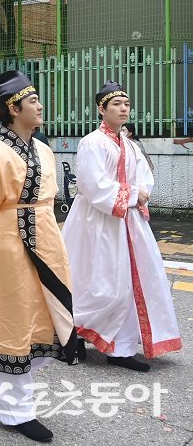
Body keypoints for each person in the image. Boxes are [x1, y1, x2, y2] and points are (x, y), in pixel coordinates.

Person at [0, 71, 78, 443]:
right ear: (12, 107)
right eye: (32, 100)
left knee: (42, 314)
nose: (39, 105)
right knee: (12, 316)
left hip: (46, 236)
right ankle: (13, 409)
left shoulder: (44, 149)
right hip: (10, 242)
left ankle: (20, 393)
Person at [63, 81, 181, 372]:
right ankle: (75, 333)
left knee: (129, 282)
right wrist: (131, 194)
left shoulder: (129, 144)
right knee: (98, 282)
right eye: (116, 104)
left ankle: (122, 347)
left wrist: (139, 193)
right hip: (96, 222)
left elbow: (144, 178)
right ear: (101, 109)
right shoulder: (92, 142)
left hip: (127, 221)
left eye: (126, 104)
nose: (124, 108)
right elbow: (93, 185)